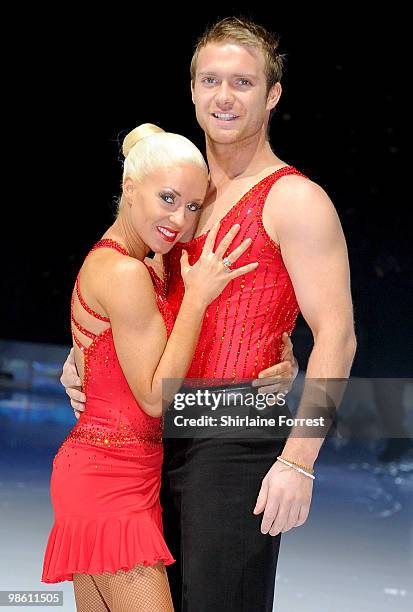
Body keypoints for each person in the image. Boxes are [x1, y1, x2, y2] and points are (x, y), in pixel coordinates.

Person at [61, 16, 357, 612]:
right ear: (192, 88)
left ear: (272, 96)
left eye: (243, 83)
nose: (224, 97)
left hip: (235, 437)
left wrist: (299, 463)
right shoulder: (181, 192)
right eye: (210, 79)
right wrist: (84, 356)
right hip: (149, 440)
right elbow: (125, 284)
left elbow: (339, 338)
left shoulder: (295, 199)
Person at [42, 123, 260, 612]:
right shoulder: (124, 272)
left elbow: (145, 139)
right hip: (107, 479)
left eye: (190, 206)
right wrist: (198, 298)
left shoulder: (146, 257)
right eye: (167, 199)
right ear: (129, 188)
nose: (179, 220)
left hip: (121, 473)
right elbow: (155, 397)